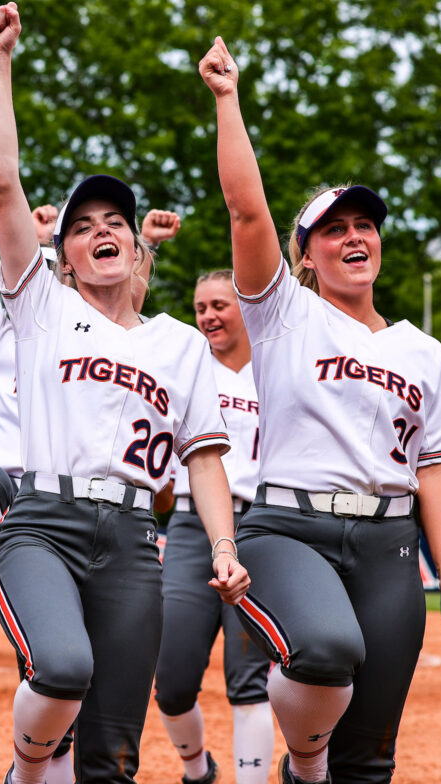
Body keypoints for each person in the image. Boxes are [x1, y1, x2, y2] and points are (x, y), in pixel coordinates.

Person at [0, 4, 247, 784]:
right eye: (81, 223)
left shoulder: (180, 343)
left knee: (114, 757)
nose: (102, 229)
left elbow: (203, 460)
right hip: (44, 523)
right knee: (61, 667)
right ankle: (27, 773)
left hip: (136, 543)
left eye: (116, 221)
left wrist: (222, 548)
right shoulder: (43, 308)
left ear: (135, 245)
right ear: (61, 254)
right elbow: (2, 185)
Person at [199, 37, 441, 784]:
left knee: (373, 759)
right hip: (291, 528)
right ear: (307, 255)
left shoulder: (423, 350)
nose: (355, 236)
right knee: (324, 650)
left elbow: (439, 465)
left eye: (364, 226)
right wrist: (228, 100)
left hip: (390, 548)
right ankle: (305, 762)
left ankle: (322, 768)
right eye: (333, 229)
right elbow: (246, 212)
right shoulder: (282, 313)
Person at [0, 102, 176, 725]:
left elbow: (133, 306)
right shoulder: (8, 333)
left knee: (73, 687)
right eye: (78, 236)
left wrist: (153, 248)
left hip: (83, 503)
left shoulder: (106, 346)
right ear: (57, 261)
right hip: (11, 492)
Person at [155, 268, 273, 784]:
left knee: (248, 680)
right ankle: (196, 767)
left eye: (219, 305)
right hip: (188, 528)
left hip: (261, 526)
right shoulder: (188, 366)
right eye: (201, 307)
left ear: (245, 308)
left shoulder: (275, 369)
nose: (207, 316)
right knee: (173, 679)